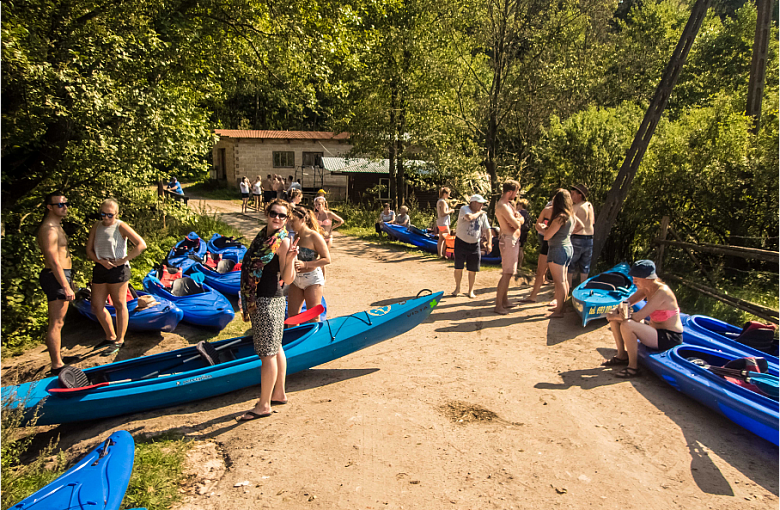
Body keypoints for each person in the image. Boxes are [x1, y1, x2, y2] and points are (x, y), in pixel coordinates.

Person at [237, 199, 298, 421]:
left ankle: (263, 405)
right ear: (267, 213)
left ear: (287, 219)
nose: (278, 218)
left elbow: (288, 278)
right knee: (275, 347)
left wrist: (290, 259)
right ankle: (279, 393)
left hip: (268, 302)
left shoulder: (282, 241)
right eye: (274, 213)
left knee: (267, 354)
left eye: (283, 216)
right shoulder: (263, 237)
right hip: (262, 300)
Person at [87, 199, 147, 356]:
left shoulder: (120, 226)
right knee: (96, 306)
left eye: (109, 215)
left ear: (116, 214)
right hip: (101, 267)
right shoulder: (97, 226)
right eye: (103, 214)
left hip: (118, 269)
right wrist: (99, 261)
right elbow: (89, 250)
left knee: (119, 304)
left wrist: (123, 260)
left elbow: (141, 244)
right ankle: (110, 336)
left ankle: (120, 340)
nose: (106, 218)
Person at [604, 260, 683, 378]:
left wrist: (613, 315)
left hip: (669, 337)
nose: (634, 280)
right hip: (655, 331)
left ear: (648, 278)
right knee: (616, 320)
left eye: (637, 277)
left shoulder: (662, 292)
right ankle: (622, 355)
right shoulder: (646, 288)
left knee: (627, 324)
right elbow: (626, 302)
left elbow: (637, 317)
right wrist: (616, 310)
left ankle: (633, 368)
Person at [37, 191, 77, 375]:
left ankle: (58, 358)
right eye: (60, 204)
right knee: (56, 322)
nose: (65, 207)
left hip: (62, 275)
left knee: (60, 321)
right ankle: (56, 365)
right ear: (49, 207)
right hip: (56, 276)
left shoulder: (57, 226)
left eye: (66, 203)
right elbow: (53, 260)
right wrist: (66, 285)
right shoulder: (49, 229)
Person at [536, 189, 583, 318]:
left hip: (557, 249)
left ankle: (559, 311)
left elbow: (547, 236)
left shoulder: (560, 217)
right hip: (567, 247)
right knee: (564, 280)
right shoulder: (570, 215)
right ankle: (561, 307)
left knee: (559, 282)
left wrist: (541, 228)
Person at [287, 206, 331, 322]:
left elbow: (327, 259)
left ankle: (315, 339)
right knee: (292, 316)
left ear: (302, 220)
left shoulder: (314, 236)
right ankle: (295, 338)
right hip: (296, 279)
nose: (290, 223)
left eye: (293, 220)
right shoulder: (296, 236)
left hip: (312, 279)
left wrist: (305, 265)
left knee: (313, 316)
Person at [494, 181, 524, 314]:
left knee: (510, 272)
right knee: (506, 273)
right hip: (508, 241)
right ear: (510, 192)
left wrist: (519, 219)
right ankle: (498, 305)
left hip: (512, 240)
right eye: (516, 192)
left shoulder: (508, 205)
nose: (516, 195)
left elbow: (520, 218)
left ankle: (504, 300)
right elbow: (516, 224)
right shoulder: (503, 206)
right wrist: (518, 220)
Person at [452, 195, 491, 298]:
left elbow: (487, 229)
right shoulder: (464, 209)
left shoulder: (483, 215)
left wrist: (489, 242)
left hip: (475, 244)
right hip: (461, 242)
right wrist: (479, 213)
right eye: (479, 203)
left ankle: (470, 291)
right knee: (458, 267)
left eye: (483, 203)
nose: (482, 205)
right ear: (473, 203)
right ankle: (457, 288)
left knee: (473, 269)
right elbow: (469, 218)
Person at [523, 199, 553, 303]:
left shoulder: (564, 214)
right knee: (540, 271)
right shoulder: (547, 210)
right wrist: (541, 227)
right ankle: (533, 296)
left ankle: (558, 300)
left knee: (560, 276)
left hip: (558, 246)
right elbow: (537, 224)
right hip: (546, 242)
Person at [568, 183, 595, 290]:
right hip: (589, 239)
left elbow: (573, 224)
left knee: (570, 263)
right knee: (585, 265)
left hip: (577, 238)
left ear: (580, 195)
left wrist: (569, 233)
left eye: (573, 193)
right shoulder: (589, 205)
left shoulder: (575, 207)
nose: (571, 196)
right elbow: (592, 222)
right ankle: (582, 288)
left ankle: (568, 286)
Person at [436, 187, 453, 258]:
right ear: (445, 194)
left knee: (441, 239)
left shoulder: (440, 201)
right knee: (447, 238)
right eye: (448, 194)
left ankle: (440, 254)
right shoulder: (442, 202)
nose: (449, 196)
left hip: (441, 222)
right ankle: (444, 254)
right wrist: (450, 211)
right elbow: (443, 213)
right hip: (444, 223)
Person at [516, 198, 531, 271]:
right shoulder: (527, 213)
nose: (517, 205)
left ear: (521, 205)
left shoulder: (520, 213)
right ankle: (520, 264)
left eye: (518, 204)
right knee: (521, 248)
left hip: (520, 231)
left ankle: (517, 263)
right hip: (525, 231)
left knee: (518, 247)